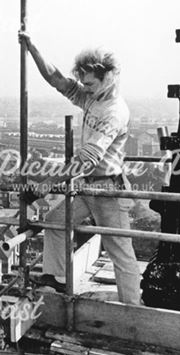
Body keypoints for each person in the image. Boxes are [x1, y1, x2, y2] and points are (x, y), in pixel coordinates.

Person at [19, 32, 142, 305]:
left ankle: (134, 312)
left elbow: (88, 158)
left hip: (108, 189)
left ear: (107, 79)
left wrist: (46, 185)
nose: (83, 88)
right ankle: (57, 280)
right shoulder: (93, 98)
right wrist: (33, 48)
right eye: (83, 83)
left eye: (89, 83)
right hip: (88, 186)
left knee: (119, 251)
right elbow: (57, 79)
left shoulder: (114, 111)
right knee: (55, 223)